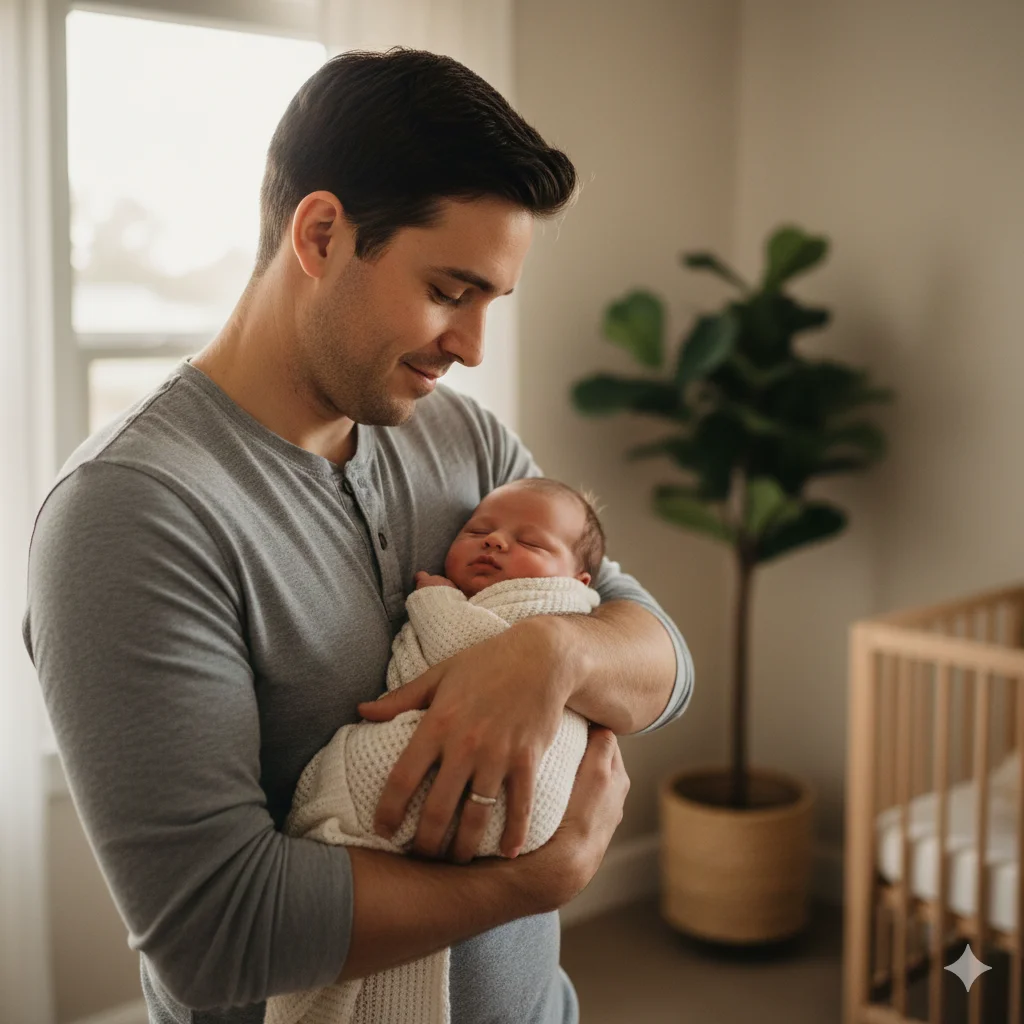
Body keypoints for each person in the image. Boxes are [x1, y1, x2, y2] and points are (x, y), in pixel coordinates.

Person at [23, 47, 694, 1024]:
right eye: (448, 291)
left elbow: (662, 661)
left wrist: (549, 650)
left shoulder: (466, 439)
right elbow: (217, 932)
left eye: (489, 304)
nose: (469, 347)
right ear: (323, 233)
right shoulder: (130, 513)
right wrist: (532, 882)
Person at [266, 478, 607, 1024]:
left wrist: (433, 601)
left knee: (359, 765)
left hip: (518, 796)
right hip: (504, 840)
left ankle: (336, 820)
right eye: (479, 530)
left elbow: (465, 653)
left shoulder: (549, 611)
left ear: (578, 580)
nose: (495, 542)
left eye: (532, 544)